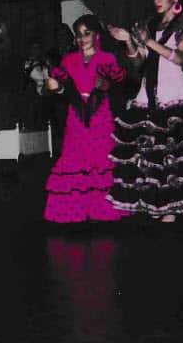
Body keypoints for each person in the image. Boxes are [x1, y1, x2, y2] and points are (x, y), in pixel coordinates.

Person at [108, 0, 183, 221]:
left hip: (174, 93)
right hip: (148, 93)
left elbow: (179, 58)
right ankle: (157, 204)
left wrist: (148, 41)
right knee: (151, 153)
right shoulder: (151, 26)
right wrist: (128, 40)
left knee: (173, 153)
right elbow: (139, 64)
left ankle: (173, 206)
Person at [44, 15, 126, 223]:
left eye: (86, 33)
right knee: (75, 160)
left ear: (96, 35)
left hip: (101, 116)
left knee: (101, 160)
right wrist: (55, 87)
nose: (82, 39)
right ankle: (75, 211)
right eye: (78, 35)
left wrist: (105, 85)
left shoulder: (107, 58)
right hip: (76, 118)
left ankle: (102, 210)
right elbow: (62, 89)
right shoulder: (68, 60)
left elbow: (121, 85)